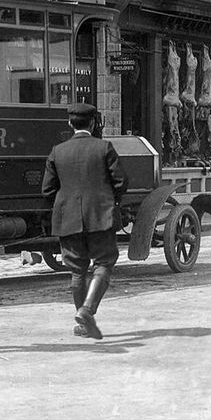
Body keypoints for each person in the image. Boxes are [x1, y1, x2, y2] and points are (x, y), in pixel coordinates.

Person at [42, 102, 128, 340]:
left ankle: (83, 323)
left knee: (77, 270)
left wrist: (65, 205)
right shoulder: (104, 147)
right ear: (92, 123)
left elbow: (47, 190)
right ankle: (87, 310)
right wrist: (110, 201)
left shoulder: (57, 151)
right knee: (104, 262)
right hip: (100, 215)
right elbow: (121, 182)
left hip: (68, 219)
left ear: (70, 124)